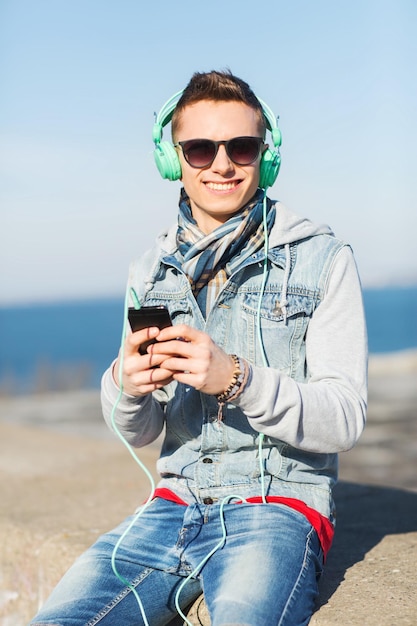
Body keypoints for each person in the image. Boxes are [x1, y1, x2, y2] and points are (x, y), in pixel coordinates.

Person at [30, 70, 367, 626]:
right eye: (199, 148)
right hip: (170, 507)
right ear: (173, 160)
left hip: (277, 509)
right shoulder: (150, 270)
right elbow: (139, 431)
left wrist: (238, 378)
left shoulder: (323, 258)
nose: (221, 164)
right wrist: (127, 386)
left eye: (241, 146)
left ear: (267, 154)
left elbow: (346, 419)